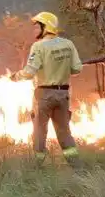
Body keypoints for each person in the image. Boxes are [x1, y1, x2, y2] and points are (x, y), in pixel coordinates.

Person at [11, 11, 83, 169]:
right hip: (63, 94)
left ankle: (36, 167)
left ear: (46, 27)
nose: (34, 29)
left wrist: (16, 76)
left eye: (37, 25)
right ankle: (78, 168)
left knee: (39, 133)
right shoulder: (68, 44)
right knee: (65, 133)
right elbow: (77, 69)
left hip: (44, 95)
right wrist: (61, 69)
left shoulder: (39, 46)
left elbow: (29, 72)